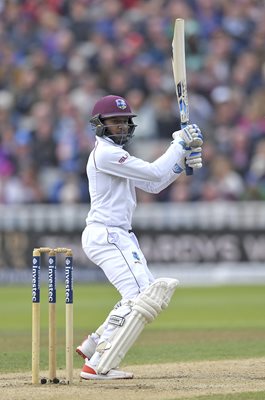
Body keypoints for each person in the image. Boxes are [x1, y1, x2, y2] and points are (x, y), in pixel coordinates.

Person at [76, 94, 203, 380]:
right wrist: (179, 143)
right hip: (107, 233)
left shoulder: (115, 156)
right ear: (100, 124)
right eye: (114, 122)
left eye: (124, 121)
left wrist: (182, 159)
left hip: (119, 235)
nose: (121, 126)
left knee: (142, 293)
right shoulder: (106, 154)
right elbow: (154, 171)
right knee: (141, 295)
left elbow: (155, 183)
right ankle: (97, 364)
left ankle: (95, 343)